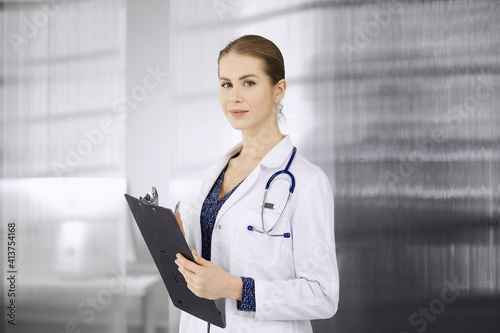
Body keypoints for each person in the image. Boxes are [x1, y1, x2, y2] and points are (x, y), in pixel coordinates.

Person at [174, 35, 339, 333]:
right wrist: (176, 243)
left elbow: (323, 295)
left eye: (248, 83)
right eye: (226, 84)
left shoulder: (307, 182)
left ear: (279, 90)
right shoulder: (214, 174)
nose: (234, 97)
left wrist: (236, 288)